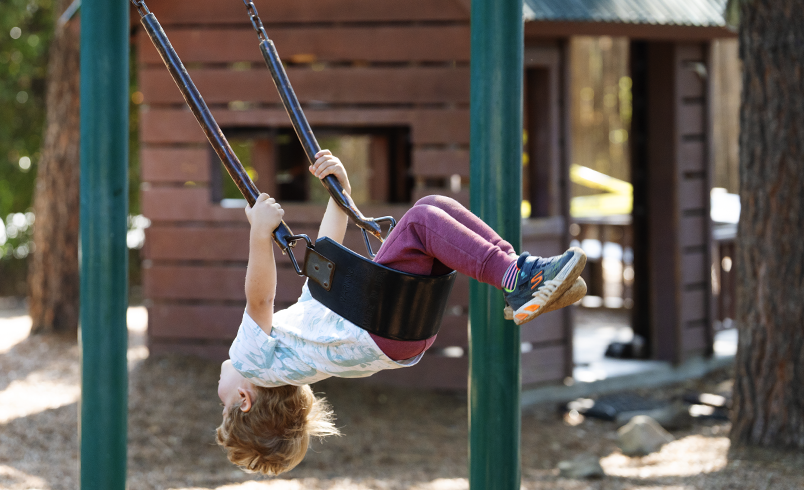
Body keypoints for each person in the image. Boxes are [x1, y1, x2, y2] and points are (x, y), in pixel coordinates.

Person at [215, 150, 587, 475]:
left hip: (402, 338)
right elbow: (259, 301)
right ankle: (518, 280)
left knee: (436, 207)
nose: (220, 396)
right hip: (377, 319)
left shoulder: (299, 353)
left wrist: (339, 196)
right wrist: (259, 234)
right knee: (422, 221)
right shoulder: (250, 363)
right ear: (244, 400)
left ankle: (521, 272)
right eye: (222, 406)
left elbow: (324, 268)